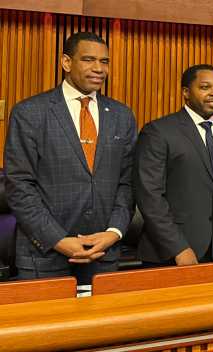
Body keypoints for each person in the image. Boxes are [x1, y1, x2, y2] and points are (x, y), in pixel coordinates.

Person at [4, 32, 136, 284]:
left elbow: (127, 183)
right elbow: (19, 186)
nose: (99, 68)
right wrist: (58, 239)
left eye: (104, 61)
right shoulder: (30, 113)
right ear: (66, 62)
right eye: (88, 59)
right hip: (44, 256)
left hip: (104, 256)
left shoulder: (122, 115)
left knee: (104, 324)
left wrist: (113, 232)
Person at [134, 64, 213, 266]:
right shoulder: (159, 132)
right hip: (170, 255)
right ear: (186, 92)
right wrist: (178, 247)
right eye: (205, 87)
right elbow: (150, 196)